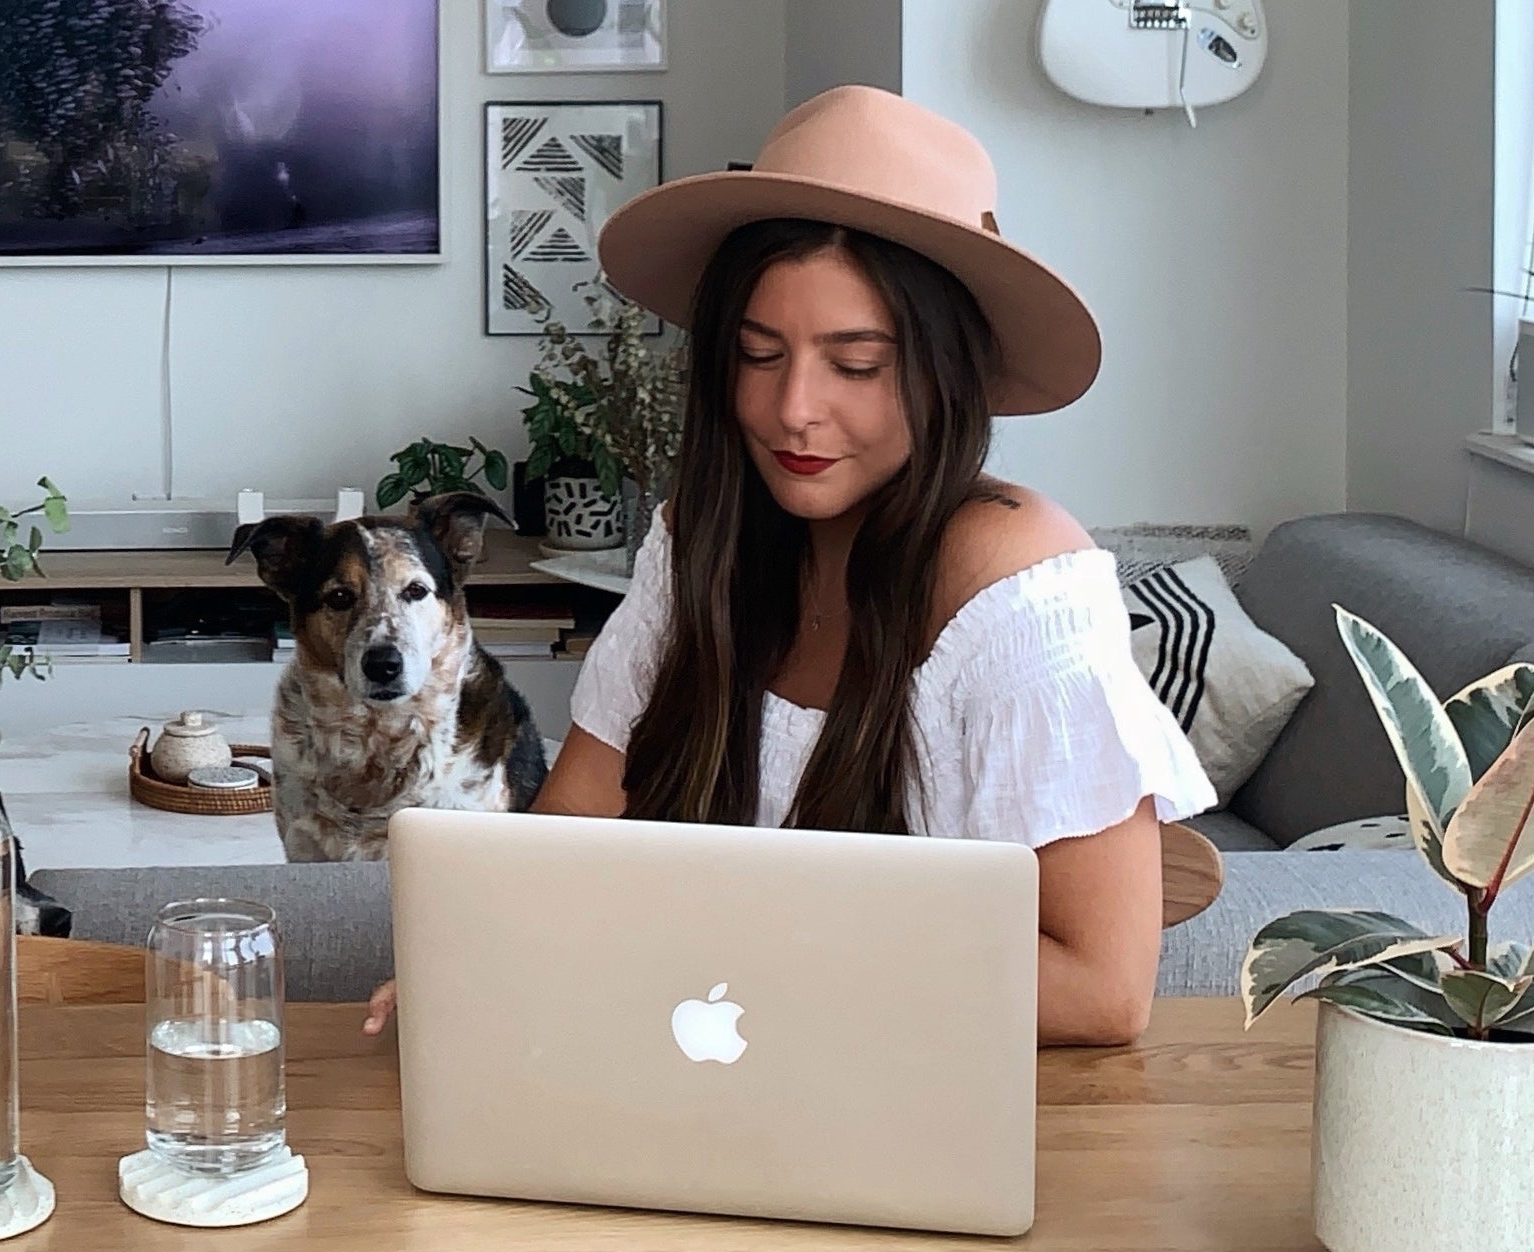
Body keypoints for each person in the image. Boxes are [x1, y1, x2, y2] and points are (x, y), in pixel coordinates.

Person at [365, 86, 1213, 1045]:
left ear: (951, 371)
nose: (791, 410)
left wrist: (711, 939)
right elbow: (576, 830)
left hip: (914, 1109)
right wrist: (476, 946)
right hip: (697, 1066)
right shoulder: (701, 540)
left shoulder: (1018, 580)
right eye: (758, 354)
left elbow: (1103, 993)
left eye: (855, 365)